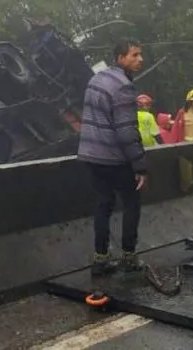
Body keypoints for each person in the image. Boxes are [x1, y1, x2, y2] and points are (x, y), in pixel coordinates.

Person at [77, 38, 148, 276]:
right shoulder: (123, 87)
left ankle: (100, 259)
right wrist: (139, 165)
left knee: (102, 205)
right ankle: (128, 256)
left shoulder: (96, 79)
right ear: (120, 58)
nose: (140, 60)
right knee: (131, 203)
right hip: (115, 158)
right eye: (134, 55)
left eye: (140, 55)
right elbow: (127, 130)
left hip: (91, 155)